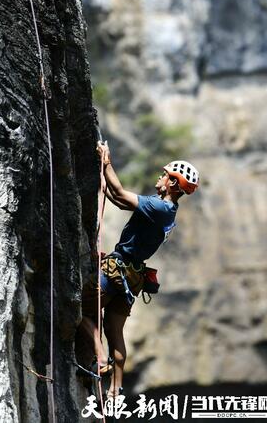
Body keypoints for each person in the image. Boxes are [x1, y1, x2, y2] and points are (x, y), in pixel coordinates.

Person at [78, 140, 200, 399]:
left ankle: (100, 359)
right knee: (115, 331)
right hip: (132, 278)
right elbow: (120, 201)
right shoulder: (165, 209)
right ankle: (115, 389)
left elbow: (121, 194)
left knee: (80, 308)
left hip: (116, 270)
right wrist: (103, 180)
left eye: (165, 175)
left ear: (174, 184)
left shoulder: (160, 208)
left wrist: (106, 161)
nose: (160, 177)